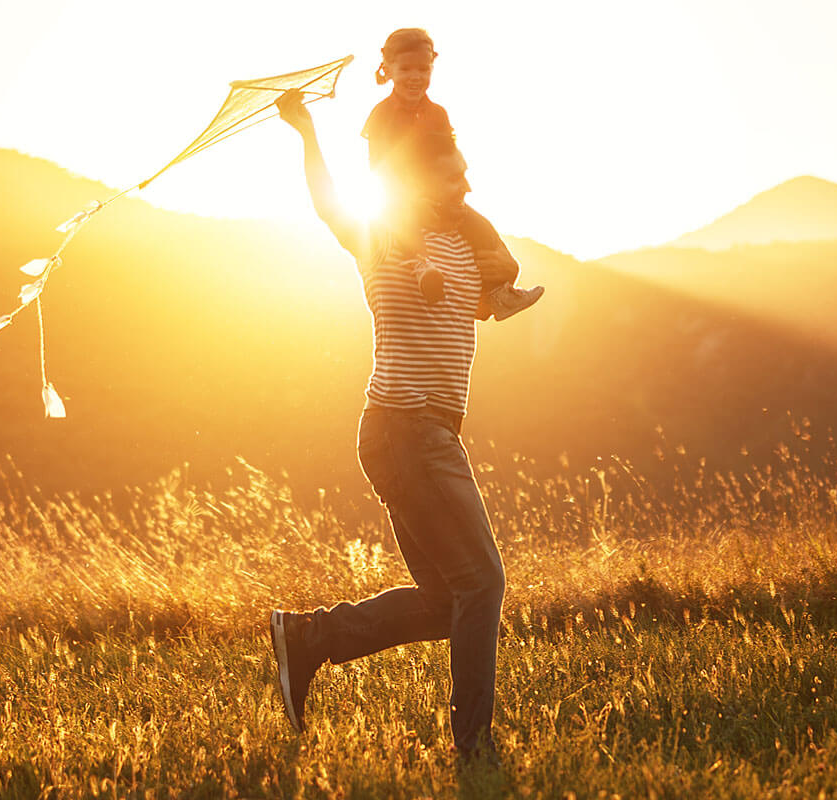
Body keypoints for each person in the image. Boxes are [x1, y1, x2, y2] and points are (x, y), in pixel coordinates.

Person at [268, 88, 513, 767]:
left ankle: (309, 638)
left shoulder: (464, 246)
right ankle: (475, 749)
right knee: (482, 583)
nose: (464, 182)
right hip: (406, 431)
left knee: (446, 600)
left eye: (466, 172)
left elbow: (489, 302)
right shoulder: (385, 241)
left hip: (426, 434)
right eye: (451, 173)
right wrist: (308, 131)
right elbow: (329, 204)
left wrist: (504, 297)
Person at [363, 27, 544, 320]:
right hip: (400, 196)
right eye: (406, 68)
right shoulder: (382, 115)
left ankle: (498, 294)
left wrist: (450, 192)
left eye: (423, 68)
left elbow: (450, 156)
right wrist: (407, 195)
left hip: (438, 193)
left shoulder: (438, 114)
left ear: (432, 67)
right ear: (389, 68)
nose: (415, 76)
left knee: (481, 227)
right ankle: (420, 264)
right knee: (403, 217)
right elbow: (378, 167)